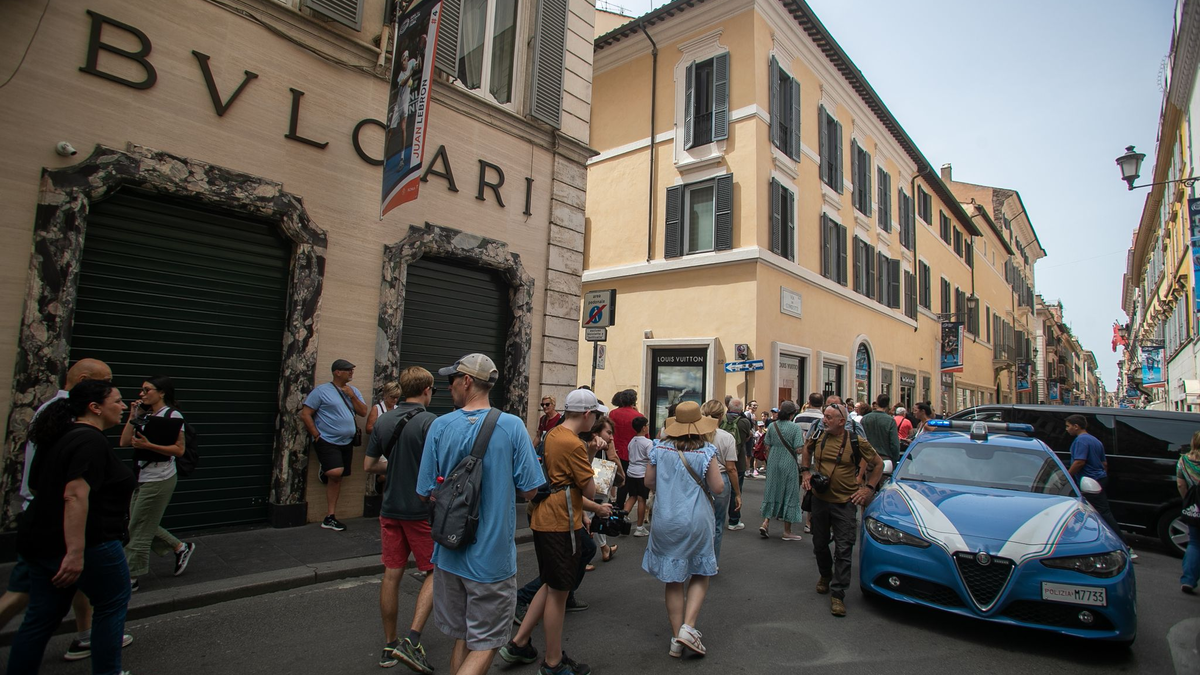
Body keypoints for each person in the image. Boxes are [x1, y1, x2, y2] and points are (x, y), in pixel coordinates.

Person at [416, 354, 543, 675]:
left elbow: (424, 490)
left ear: (467, 381)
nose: (448, 387)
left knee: (463, 637)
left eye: (452, 380)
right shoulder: (512, 426)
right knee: (485, 643)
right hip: (491, 560)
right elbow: (531, 489)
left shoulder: (439, 426)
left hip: (448, 553)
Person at [0, 358, 133, 662]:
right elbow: (74, 495)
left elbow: (36, 481)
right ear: (93, 404)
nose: (124, 405)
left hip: (43, 534)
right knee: (112, 603)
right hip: (85, 537)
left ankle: (84, 637)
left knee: (40, 616)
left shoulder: (56, 426)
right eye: (115, 397)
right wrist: (75, 551)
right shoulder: (85, 438)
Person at [500, 389, 600, 675]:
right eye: (594, 414)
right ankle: (553, 662)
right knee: (559, 590)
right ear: (586, 415)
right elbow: (590, 489)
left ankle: (519, 642)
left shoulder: (552, 434)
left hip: (543, 515)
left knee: (549, 581)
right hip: (561, 521)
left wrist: (588, 454)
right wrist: (591, 455)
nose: (595, 419)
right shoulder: (573, 443)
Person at [364, 367, 438, 672]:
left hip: (390, 508)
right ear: (426, 390)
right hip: (419, 511)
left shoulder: (383, 419)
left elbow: (370, 465)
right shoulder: (429, 422)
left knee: (391, 574)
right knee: (436, 570)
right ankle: (412, 639)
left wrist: (394, 466)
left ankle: (389, 642)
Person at [642, 401, 724, 657]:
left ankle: (678, 637)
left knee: (673, 579)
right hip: (696, 520)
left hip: (665, 520)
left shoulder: (660, 449)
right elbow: (718, 488)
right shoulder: (706, 452)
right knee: (699, 573)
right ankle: (689, 627)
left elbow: (649, 482)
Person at [801, 403, 882, 617]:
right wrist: (806, 473)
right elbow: (806, 450)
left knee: (844, 548)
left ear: (841, 421)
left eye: (828, 417)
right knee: (819, 543)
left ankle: (838, 593)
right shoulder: (818, 435)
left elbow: (878, 464)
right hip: (819, 499)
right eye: (824, 416)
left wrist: (868, 489)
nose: (824, 420)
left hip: (845, 502)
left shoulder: (856, 441)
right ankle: (826, 574)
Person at [118, 375, 196, 591]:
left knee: (137, 528)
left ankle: (131, 576)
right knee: (137, 521)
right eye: (142, 390)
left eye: (147, 390)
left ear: (161, 392)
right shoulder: (145, 415)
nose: (142, 394)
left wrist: (150, 445)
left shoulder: (172, 416)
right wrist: (132, 417)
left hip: (160, 477)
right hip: (141, 476)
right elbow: (124, 442)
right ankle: (180, 547)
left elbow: (179, 450)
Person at [300, 358, 367, 532]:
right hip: (327, 440)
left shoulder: (353, 391)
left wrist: (351, 396)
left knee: (338, 477)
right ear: (337, 372)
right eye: (348, 370)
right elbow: (306, 414)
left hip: (347, 442)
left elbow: (363, 411)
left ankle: (330, 516)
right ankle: (326, 468)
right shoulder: (321, 391)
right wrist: (316, 435)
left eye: (352, 370)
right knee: (335, 472)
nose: (351, 372)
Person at [1065, 415, 1123, 539]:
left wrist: (1067, 476)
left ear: (1076, 426)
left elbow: (1079, 462)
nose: (1067, 429)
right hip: (1099, 478)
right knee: (1095, 511)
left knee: (1100, 512)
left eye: (1068, 426)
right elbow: (1104, 464)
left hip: (1089, 481)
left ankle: (1122, 542)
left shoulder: (1081, 441)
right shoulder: (1095, 440)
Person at [759, 401, 804, 541]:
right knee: (789, 492)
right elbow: (798, 448)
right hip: (789, 461)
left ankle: (765, 522)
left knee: (772, 489)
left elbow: (767, 444)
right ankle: (787, 531)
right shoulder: (795, 428)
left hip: (773, 460)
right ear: (792, 414)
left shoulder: (772, 426)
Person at [701, 400, 740, 561]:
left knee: (699, 520)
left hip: (699, 478)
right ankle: (712, 560)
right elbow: (731, 468)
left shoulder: (697, 435)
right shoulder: (727, 437)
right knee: (717, 522)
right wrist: (737, 492)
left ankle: (697, 557)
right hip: (721, 479)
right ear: (721, 416)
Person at [609, 389, 641, 509]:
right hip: (630, 453)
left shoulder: (613, 413)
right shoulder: (638, 416)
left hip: (614, 449)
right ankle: (620, 504)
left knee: (612, 479)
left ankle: (611, 502)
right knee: (625, 482)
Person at [724, 398, 753, 529]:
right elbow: (747, 437)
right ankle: (734, 520)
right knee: (736, 491)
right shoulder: (744, 422)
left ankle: (715, 517)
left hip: (721, 460)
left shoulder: (721, 420)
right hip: (738, 460)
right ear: (741, 410)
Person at [1177, 431, 1200, 594]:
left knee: (1194, 543)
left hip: (1195, 506)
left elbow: (1181, 485)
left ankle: (1188, 580)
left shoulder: (1184, 460)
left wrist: (1189, 501)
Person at [623, 416, 653, 536]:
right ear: (644, 428)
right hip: (642, 473)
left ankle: (621, 520)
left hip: (631, 471)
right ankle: (639, 528)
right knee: (642, 499)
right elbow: (652, 458)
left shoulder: (632, 441)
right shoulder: (648, 443)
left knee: (632, 497)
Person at [861, 394, 901, 470]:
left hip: (867, 458)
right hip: (885, 459)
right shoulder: (890, 420)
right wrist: (894, 459)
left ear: (877, 402)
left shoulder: (865, 418)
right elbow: (894, 444)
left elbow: (860, 438)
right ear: (887, 405)